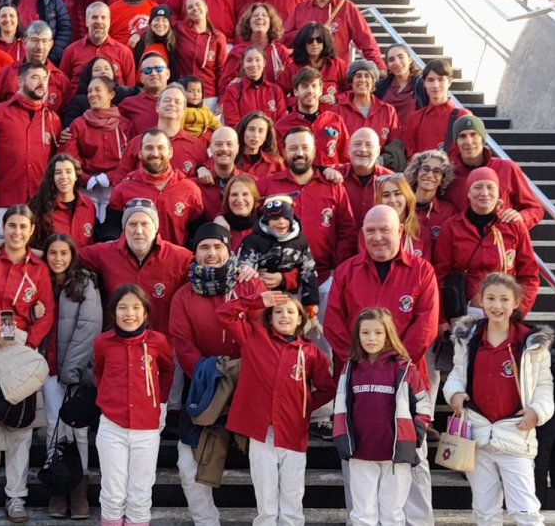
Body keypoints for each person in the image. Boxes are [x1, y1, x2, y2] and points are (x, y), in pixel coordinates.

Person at [325, 205, 440, 522]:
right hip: (360, 385)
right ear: (362, 234)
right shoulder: (347, 271)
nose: (377, 237)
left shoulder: (421, 270)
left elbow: (427, 325)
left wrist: (393, 363)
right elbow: (333, 322)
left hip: (406, 382)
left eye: (384, 229)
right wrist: (361, 362)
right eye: (370, 230)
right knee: (358, 468)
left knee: (412, 466)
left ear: (400, 231)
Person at [168, 223, 269, 525]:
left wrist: (241, 373)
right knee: (187, 462)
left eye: (218, 247)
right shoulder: (183, 296)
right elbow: (183, 345)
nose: (211, 253)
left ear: (229, 250)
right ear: (195, 253)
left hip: (250, 385)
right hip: (206, 386)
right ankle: (205, 520)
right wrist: (210, 376)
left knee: (269, 458)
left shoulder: (249, 285)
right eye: (204, 248)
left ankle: (270, 518)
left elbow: (264, 333)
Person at [0, 205, 55, 522]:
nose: (17, 232)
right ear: (4, 228)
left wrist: (28, 346)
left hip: (17, 350)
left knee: (20, 426)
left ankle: (15, 497)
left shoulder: (39, 269)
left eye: (23, 227)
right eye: (12, 226)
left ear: (32, 231)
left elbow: (48, 314)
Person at [444, 273, 554, 526]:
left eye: (504, 299)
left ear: (516, 302)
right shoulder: (469, 338)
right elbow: (457, 375)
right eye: (491, 298)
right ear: (480, 301)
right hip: (477, 435)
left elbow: (544, 386)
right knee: (484, 511)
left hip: (515, 434)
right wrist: (455, 393)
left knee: (525, 511)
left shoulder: (531, 342)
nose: (497, 306)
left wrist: (537, 412)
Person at [218, 289, 335, 526]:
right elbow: (224, 314)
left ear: (300, 319)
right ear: (269, 317)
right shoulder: (254, 338)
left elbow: (327, 388)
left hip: (293, 431)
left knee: (292, 499)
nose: (284, 316)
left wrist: (303, 407)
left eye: (290, 311)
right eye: (278, 311)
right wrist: (257, 301)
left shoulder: (311, 353)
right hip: (261, 433)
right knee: (266, 500)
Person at [333, 307, 432, 526]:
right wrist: (342, 438)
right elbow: (340, 407)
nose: (371, 338)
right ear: (357, 335)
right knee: (362, 514)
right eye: (365, 332)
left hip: (395, 454)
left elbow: (424, 407)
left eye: (378, 333)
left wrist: (413, 437)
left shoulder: (404, 369)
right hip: (360, 451)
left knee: (392, 515)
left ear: (388, 334)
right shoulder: (351, 369)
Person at [94, 285, 175, 526]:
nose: (130, 313)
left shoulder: (158, 342)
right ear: (114, 313)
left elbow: (168, 371)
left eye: (136, 307)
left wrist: (159, 405)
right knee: (112, 491)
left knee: (140, 492)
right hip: (112, 426)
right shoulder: (102, 343)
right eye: (123, 308)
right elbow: (100, 373)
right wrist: (109, 401)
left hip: (146, 427)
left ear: (146, 313)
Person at [41, 234, 101, 518]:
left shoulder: (84, 284)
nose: (58, 259)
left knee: (76, 427)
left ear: (72, 255)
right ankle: (57, 481)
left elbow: (89, 328)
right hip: (46, 367)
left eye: (63, 253)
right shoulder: (40, 281)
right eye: (52, 252)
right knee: (53, 424)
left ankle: (78, 484)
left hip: (74, 368)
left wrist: (72, 369)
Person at [434, 167, 540, 319]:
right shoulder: (451, 227)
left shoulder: (514, 225)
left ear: (498, 193)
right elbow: (440, 274)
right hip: (465, 311)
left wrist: (518, 311)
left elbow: (529, 275)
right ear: (468, 193)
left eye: (490, 187)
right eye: (477, 187)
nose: (484, 193)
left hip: (504, 312)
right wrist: (442, 318)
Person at [257, 127, 357, 287]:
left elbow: (347, 231)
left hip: (324, 280)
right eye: (293, 148)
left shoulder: (333, 186)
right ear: (284, 152)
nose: (300, 153)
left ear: (314, 150)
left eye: (305, 147)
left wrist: (337, 269)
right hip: (277, 281)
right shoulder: (266, 186)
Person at [81, 199, 194, 331]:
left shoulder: (182, 258)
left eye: (145, 224)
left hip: (163, 345)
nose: (139, 231)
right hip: (118, 343)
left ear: (156, 227)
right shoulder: (104, 253)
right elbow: (69, 256)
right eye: (132, 224)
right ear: (124, 228)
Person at [0, 61, 61, 238]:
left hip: (39, 205)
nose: (41, 83)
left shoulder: (52, 119)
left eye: (44, 78)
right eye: (34, 78)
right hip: (4, 199)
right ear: (19, 81)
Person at [283, 0, 386, 74]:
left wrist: (379, 66)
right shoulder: (300, 8)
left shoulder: (347, 8)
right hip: (305, 73)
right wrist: (307, 32)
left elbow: (366, 41)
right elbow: (284, 39)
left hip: (336, 74)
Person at [109, 129, 205, 246]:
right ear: (140, 153)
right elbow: (111, 230)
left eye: (161, 148)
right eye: (149, 148)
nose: (155, 153)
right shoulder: (123, 190)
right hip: (133, 262)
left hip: (176, 261)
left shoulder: (190, 190)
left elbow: (197, 234)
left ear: (170, 152)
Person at [446, 116, 543, 229]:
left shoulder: (507, 168)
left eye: (474, 135)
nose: (469, 141)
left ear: (482, 139)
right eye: (462, 136)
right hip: (462, 241)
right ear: (456, 142)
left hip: (501, 240)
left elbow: (535, 209)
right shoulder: (450, 175)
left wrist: (521, 217)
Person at [60, 72, 135, 213]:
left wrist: (110, 177)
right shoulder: (79, 124)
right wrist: (86, 179)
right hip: (85, 188)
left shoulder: (125, 125)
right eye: (89, 91)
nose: (92, 94)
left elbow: (130, 160)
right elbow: (69, 157)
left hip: (117, 187)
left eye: (97, 90)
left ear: (111, 95)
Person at [114, 82, 209, 184]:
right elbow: (119, 183)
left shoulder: (196, 146)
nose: (172, 104)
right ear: (157, 107)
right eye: (167, 100)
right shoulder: (137, 143)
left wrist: (206, 168)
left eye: (177, 102)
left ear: (184, 112)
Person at [238, 196, 320, 308]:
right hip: (260, 297)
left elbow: (309, 272)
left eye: (286, 218)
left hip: (290, 298)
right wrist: (254, 275)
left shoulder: (300, 242)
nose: (281, 222)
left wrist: (311, 305)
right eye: (275, 219)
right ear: (267, 221)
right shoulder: (254, 240)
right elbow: (244, 267)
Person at [274, 68, 351, 167]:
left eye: (314, 86)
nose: (310, 91)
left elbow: (346, 159)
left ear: (320, 90)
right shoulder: (282, 127)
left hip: (330, 180)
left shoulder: (335, 120)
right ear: (296, 91)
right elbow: (279, 165)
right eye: (304, 86)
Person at [0, 20, 71, 111]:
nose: (39, 47)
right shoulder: (6, 73)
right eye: (34, 40)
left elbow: (66, 114)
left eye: (44, 41)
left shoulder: (60, 80)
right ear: (24, 42)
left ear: (51, 44)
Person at [59, 2, 138, 93]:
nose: (99, 21)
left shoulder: (124, 52)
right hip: (80, 105)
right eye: (94, 17)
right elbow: (63, 86)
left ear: (109, 21)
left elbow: (130, 89)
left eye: (103, 17)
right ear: (86, 21)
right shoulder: (71, 51)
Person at [28, 154, 97, 249]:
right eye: (58, 172)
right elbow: (27, 247)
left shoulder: (89, 206)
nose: (63, 177)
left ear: (76, 176)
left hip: (84, 263)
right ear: (52, 177)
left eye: (68, 172)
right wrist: (46, 256)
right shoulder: (40, 207)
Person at [336, 60, 402, 158]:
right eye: (358, 76)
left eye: (367, 76)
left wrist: (382, 161)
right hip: (345, 170)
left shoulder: (388, 111)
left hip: (379, 169)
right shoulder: (337, 111)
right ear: (351, 81)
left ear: (373, 82)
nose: (362, 80)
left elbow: (395, 144)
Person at [403, 60, 467, 157]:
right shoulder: (415, 118)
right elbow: (411, 156)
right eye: (430, 80)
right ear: (424, 83)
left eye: (441, 79)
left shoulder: (462, 116)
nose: (435, 85)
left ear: (449, 81)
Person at [223, 2, 291, 90]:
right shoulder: (237, 52)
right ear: (248, 23)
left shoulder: (280, 52)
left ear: (271, 22)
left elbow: (291, 82)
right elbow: (224, 87)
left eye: (264, 15)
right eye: (255, 15)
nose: (260, 17)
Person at [405, 150, 457, 263]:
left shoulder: (448, 212)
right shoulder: (402, 205)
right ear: (416, 172)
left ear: (443, 178)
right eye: (425, 168)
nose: (429, 175)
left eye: (437, 171)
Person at [174, 0, 228, 102]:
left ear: (206, 7)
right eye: (190, 7)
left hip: (209, 95)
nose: (194, 8)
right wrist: (139, 33)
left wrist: (222, 99)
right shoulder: (180, 29)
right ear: (186, 13)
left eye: (198, 5)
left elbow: (222, 71)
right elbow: (159, 24)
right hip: (184, 95)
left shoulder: (217, 37)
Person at [337, 127, 394, 224]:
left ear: (378, 152)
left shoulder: (390, 179)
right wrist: (325, 170)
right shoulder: (334, 174)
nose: (363, 149)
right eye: (357, 144)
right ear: (348, 150)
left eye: (369, 145)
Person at [221, 45, 285, 127]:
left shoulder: (275, 91)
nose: (253, 64)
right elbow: (233, 123)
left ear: (264, 63)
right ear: (243, 64)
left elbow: (281, 122)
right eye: (249, 60)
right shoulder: (233, 91)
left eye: (258, 60)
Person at [284, 22, 346, 104]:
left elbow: (352, 92)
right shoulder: (292, 68)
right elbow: (277, 95)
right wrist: (299, 101)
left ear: (325, 42)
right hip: (302, 115)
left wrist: (336, 99)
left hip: (332, 114)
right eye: (309, 40)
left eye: (319, 40)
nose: (314, 43)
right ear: (303, 43)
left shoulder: (339, 65)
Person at [194, 126, 243, 219]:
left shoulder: (251, 183)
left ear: (237, 148)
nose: (224, 149)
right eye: (218, 144)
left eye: (229, 144)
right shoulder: (195, 186)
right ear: (211, 148)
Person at [373, 173, 424, 258]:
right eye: (386, 195)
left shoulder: (422, 233)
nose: (392, 200)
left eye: (397, 194)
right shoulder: (369, 233)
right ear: (379, 200)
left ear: (407, 197)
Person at [118, 51, 170, 134]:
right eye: (148, 70)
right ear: (141, 78)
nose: (153, 73)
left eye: (158, 69)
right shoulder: (129, 104)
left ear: (168, 74)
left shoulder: (180, 100)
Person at [376, 44, 424, 123]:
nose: (397, 63)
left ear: (410, 60)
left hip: (413, 134)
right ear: (387, 66)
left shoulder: (421, 85)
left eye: (400, 57)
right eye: (391, 60)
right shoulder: (380, 86)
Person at [132, 5, 180, 82]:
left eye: (164, 20)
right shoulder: (142, 41)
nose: (160, 23)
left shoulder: (175, 41)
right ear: (150, 23)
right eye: (156, 19)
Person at [214, 174, 261, 250]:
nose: (239, 200)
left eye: (245, 194)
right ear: (227, 199)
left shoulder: (266, 228)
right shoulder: (218, 228)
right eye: (234, 195)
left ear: (254, 198)